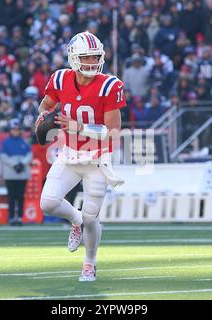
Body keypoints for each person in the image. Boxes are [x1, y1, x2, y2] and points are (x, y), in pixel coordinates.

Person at [36, 31, 126, 282]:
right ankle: (75, 222)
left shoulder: (110, 85)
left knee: (92, 216)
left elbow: (114, 133)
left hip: (97, 159)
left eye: (95, 57)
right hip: (70, 154)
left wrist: (80, 128)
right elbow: (45, 105)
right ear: (74, 58)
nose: (91, 62)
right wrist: (42, 118)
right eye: (86, 57)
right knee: (48, 202)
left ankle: (90, 263)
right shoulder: (60, 79)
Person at [0, 119, 33, 226]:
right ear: (10, 130)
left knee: (20, 197)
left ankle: (19, 217)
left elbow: (29, 154)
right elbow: (3, 157)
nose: (15, 131)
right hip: (10, 174)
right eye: (13, 129)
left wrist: (22, 164)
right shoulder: (5, 142)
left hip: (22, 174)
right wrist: (14, 165)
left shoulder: (24, 141)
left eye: (17, 129)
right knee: (11, 197)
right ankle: (11, 218)